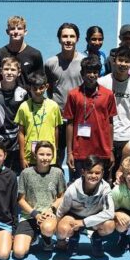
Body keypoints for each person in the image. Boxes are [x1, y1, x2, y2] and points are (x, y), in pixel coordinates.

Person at [64, 55, 117, 179]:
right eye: (89, 72)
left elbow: (110, 123)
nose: (92, 75)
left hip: (102, 152)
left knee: (100, 188)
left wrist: (110, 150)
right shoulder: (73, 95)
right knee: (79, 188)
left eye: (95, 72)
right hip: (79, 152)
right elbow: (70, 123)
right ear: (82, 73)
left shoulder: (108, 94)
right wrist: (69, 152)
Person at [56, 155, 116, 258]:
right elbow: (61, 211)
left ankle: (96, 238)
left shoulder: (105, 188)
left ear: (102, 174)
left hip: (94, 219)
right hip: (74, 217)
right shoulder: (72, 189)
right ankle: (73, 238)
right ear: (83, 172)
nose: (93, 176)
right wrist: (60, 238)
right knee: (62, 229)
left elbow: (110, 213)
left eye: (97, 173)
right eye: (90, 172)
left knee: (109, 225)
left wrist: (84, 222)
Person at [14, 141, 67, 258]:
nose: (45, 158)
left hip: (49, 215)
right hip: (30, 215)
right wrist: (35, 214)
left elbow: (62, 197)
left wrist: (51, 209)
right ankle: (34, 235)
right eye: (41, 154)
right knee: (18, 253)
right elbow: (21, 200)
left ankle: (47, 239)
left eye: (48, 155)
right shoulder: (26, 173)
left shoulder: (57, 173)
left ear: (53, 156)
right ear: (35, 155)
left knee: (47, 228)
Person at [99, 50, 130, 176]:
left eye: (126, 61)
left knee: (124, 175)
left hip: (126, 137)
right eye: (120, 60)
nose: (123, 64)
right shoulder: (102, 83)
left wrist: (126, 123)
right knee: (104, 175)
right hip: (105, 137)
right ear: (114, 61)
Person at [45, 22, 85, 161]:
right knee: (57, 155)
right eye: (65, 36)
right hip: (59, 118)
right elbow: (49, 89)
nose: (68, 40)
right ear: (59, 39)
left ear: (77, 39)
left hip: (80, 117)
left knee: (79, 155)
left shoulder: (84, 62)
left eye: (72, 36)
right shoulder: (51, 63)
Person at [0, 57, 27, 172]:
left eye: (13, 70)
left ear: (19, 72)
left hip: (15, 142)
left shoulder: (23, 93)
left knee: (13, 174)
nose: (9, 72)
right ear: (1, 71)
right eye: (6, 69)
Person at [16, 72, 63, 169]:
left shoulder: (53, 106)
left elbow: (56, 129)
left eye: (41, 88)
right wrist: (22, 157)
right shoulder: (24, 107)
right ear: (29, 88)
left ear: (46, 86)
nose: (38, 91)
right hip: (30, 156)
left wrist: (56, 150)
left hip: (49, 155)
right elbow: (21, 133)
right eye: (34, 88)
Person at [0, 15, 44, 87]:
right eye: (12, 28)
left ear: (25, 32)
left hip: (28, 97)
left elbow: (39, 81)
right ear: (7, 31)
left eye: (19, 28)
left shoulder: (35, 54)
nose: (16, 31)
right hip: (4, 97)